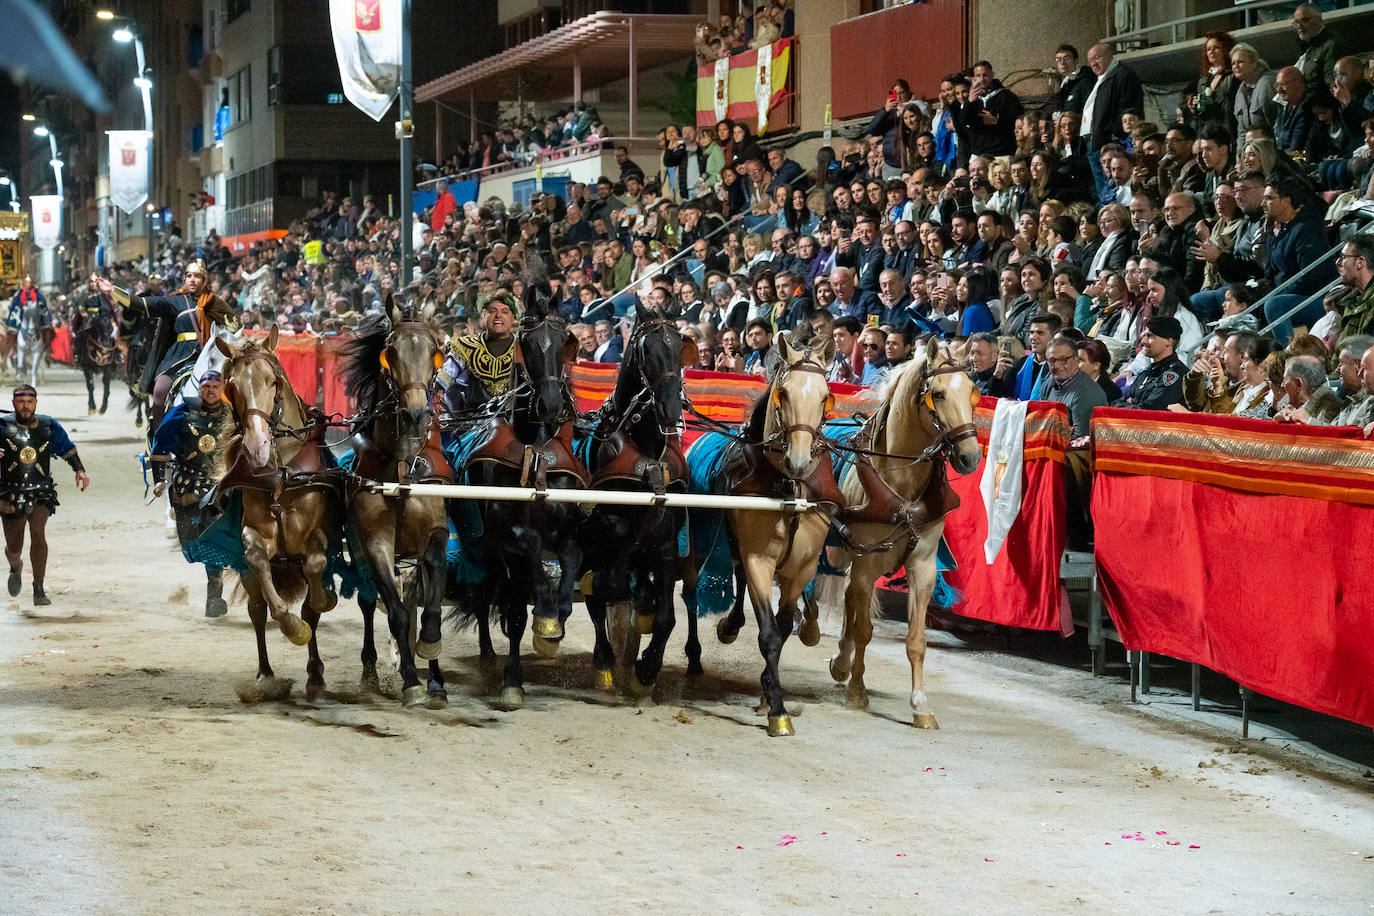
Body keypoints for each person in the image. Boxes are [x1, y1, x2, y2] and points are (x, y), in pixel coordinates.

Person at [96, 260, 236, 433]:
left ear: (205, 281)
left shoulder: (216, 303)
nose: (192, 280)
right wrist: (113, 291)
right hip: (179, 355)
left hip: (210, 356)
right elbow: (142, 304)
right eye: (189, 276)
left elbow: (234, 328)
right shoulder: (174, 301)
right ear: (184, 279)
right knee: (160, 390)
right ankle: (159, 440)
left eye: (198, 276)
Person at [0, 385, 89, 606]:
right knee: (14, 546)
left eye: (30, 401)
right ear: (13, 403)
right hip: (9, 491)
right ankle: (15, 566)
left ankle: (38, 587)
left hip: (40, 489)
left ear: (36, 403)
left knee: (38, 533)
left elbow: (67, 448)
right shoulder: (2, 426)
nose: (25, 406)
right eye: (21, 402)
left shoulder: (50, 426)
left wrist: (80, 470)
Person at [151, 371, 230, 617]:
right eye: (207, 386)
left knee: (214, 538)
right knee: (190, 542)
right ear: (200, 388)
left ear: (222, 388)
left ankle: (214, 597)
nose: (211, 391)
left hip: (222, 486)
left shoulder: (232, 414)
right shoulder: (183, 412)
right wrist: (159, 481)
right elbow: (160, 445)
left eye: (216, 386)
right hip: (188, 486)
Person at [437, 290, 521, 414]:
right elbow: (441, 382)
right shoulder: (463, 347)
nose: (498, 315)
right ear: (484, 315)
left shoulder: (524, 349)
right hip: (466, 425)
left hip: (514, 425)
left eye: (504, 312)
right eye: (492, 311)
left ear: (513, 317)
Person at [1081, 42, 1145, 196]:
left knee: (1115, 189)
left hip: (1111, 144)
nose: (1094, 63)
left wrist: (1110, 134)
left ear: (1110, 55)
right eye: (1090, 61)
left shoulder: (1123, 75)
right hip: (1095, 143)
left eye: (1097, 58)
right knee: (1103, 191)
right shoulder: (1101, 79)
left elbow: (1127, 110)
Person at [1120, 315, 1187, 409]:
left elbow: (1151, 409)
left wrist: (1132, 402)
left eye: (1150, 336)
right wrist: (1134, 404)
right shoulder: (1147, 372)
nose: (1143, 341)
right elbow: (1119, 402)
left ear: (1168, 341)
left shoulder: (1176, 374)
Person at [1274, 354, 1343, 424]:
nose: (1282, 385)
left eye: (1284, 380)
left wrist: (1309, 421)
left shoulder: (1331, 409)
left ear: (1298, 384)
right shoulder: (1294, 407)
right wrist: (1278, 420)